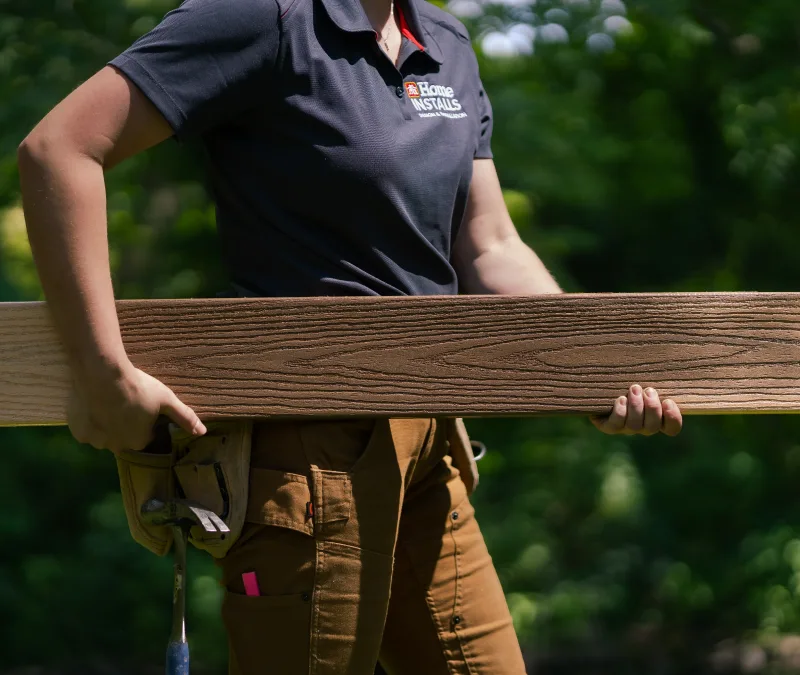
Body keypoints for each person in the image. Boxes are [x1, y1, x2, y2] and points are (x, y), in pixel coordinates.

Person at [17, 0, 683, 672]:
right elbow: (59, 149)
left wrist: (596, 373)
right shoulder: (261, 18)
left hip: (429, 444)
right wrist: (103, 370)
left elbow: (488, 245)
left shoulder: (445, 41)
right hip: (304, 451)